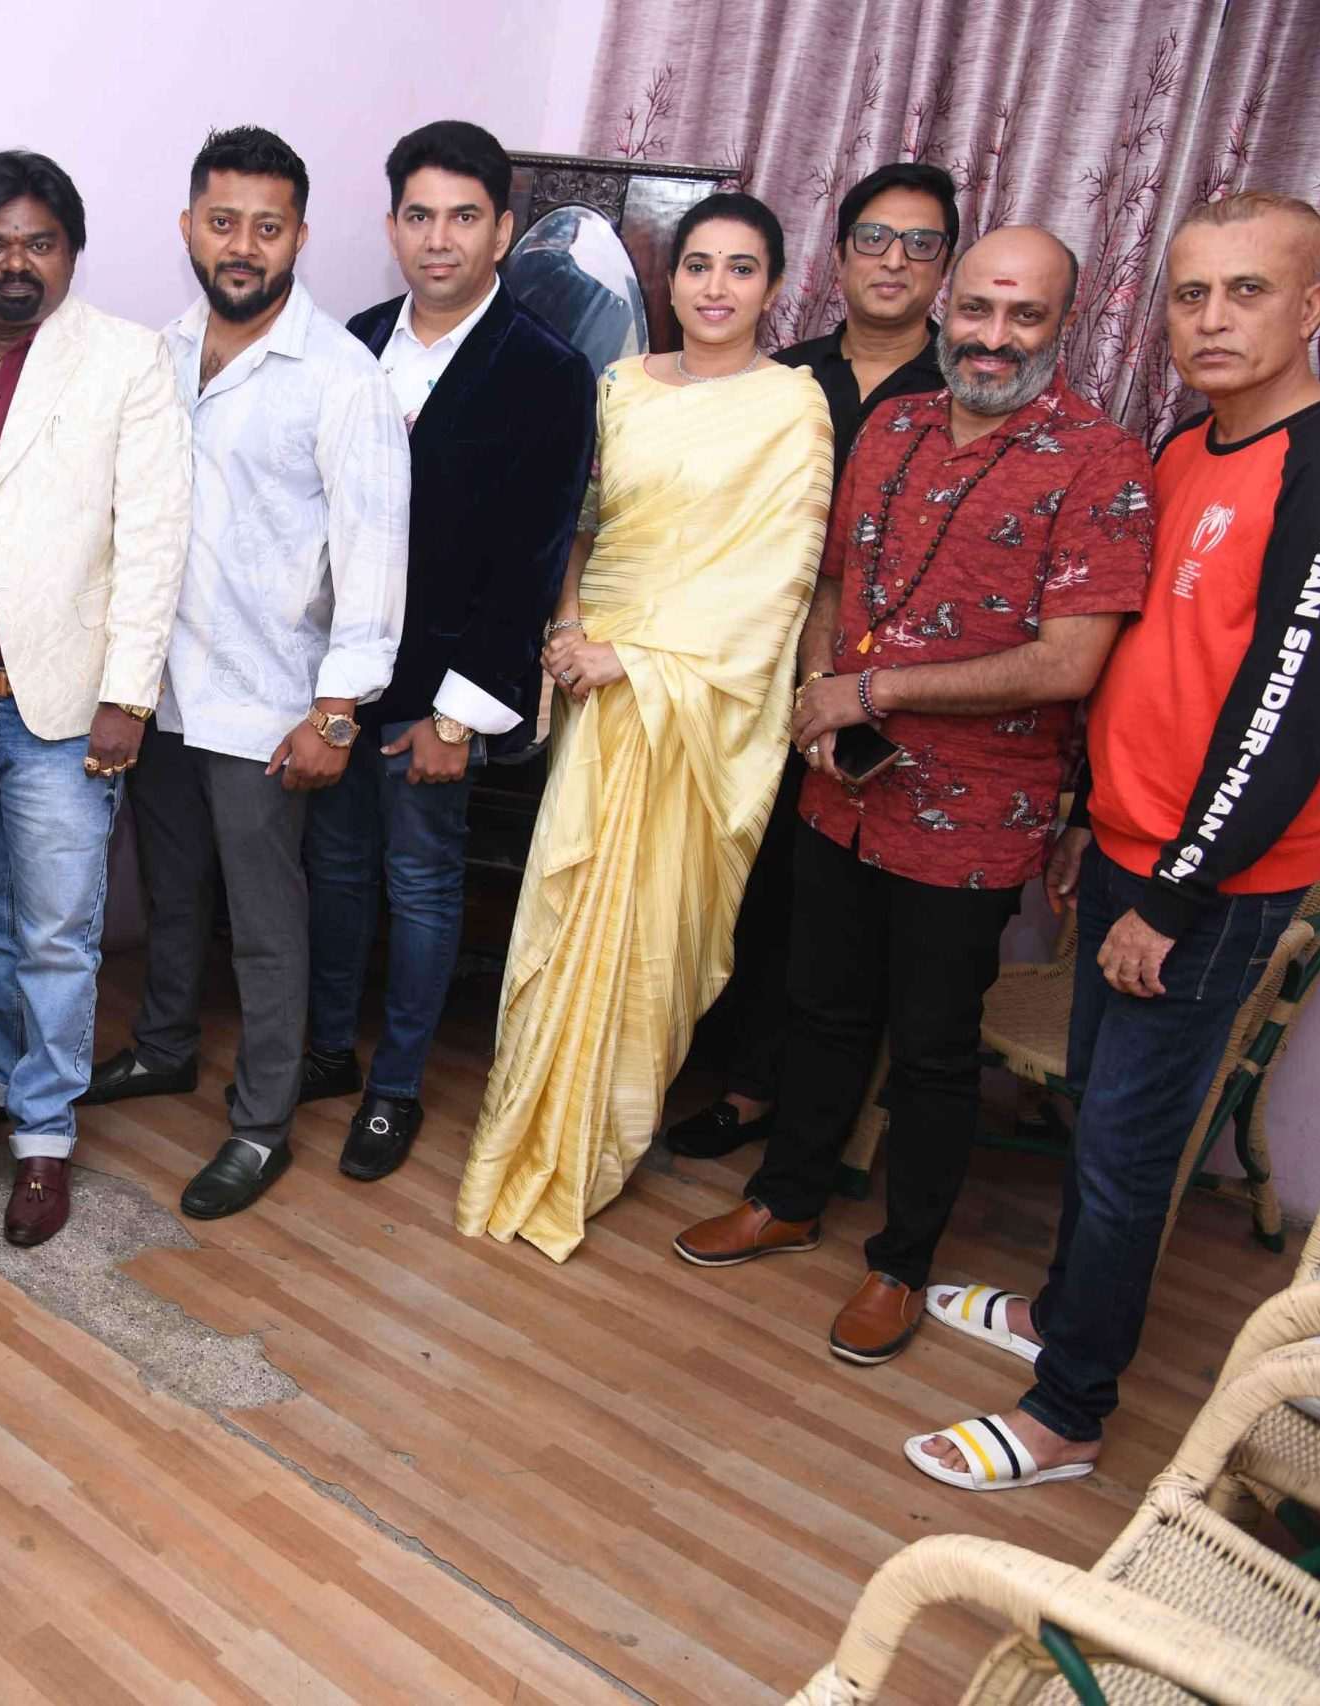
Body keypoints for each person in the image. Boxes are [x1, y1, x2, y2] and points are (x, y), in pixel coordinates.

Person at [907, 193, 1320, 1492]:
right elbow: (1148, 664)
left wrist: (1175, 895)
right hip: (1135, 847)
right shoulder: (1187, 446)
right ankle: (1061, 1313)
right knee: (1095, 1113)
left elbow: (1285, 715)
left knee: (1129, 1147)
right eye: (1191, 293)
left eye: (1248, 290)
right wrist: (1093, 816)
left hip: (1212, 883)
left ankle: (1067, 1414)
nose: (1213, 319)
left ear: (1316, 304)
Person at [675, 226, 1155, 1368]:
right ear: (949, 307)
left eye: (1025, 315)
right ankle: (787, 1196)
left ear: (1064, 323)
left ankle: (899, 1263)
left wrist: (872, 689)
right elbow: (832, 582)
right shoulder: (892, 425)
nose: (993, 336)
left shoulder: (1101, 462)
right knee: (818, 1007)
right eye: (978, 309)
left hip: (973, 818)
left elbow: (1069, 662)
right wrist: (819, 696)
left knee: (933, 1050)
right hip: (841, 789)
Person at [457, 193, 832, 1259]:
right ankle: (525, 1125)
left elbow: (776, 584)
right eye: (699, 264)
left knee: (646, 928)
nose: (716, 286)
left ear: (773, 285)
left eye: (742, 268)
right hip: (595, 683)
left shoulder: (791, 409)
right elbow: (578, 525)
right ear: (670, 279)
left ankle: (585, 1146)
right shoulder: (618, 384)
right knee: (565, 906)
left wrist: (640, 660)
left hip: (684, 702)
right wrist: (571, 628)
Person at [80, 125, 410, 1221]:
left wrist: (337, 711)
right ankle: (164, 1044)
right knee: (169, 891)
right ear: (188, 227)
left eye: (268, 227)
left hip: (270, 702)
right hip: (160, 687)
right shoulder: (155, 355)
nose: (242, 245)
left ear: (300, 238)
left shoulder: (342, 378)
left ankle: (262, 1123)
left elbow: (374, 557)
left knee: (266, 924)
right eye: (223, 222)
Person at [0, 150, 191, 1247]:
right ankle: (1, 1090)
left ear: (72, 250)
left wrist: (129, 697)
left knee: (58, 932)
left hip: (59, 710)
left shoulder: (128, 358)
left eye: (40, 243)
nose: (16, 264)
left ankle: (46, 1135)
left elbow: (153, 539)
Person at [309, 120, 595, 1182]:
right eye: (420, 215)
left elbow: (532, 554)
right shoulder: (352, 341)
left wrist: (457, 714)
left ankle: (395, 1089)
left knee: (422, 886)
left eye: (463, 217)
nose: (439, 239)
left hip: (438, 691)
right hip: (339, 682)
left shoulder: (546, 369)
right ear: (392, 226)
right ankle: (327, 1051)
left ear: (502, 231)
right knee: (335, 871)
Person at [665, 161, 956, 1165]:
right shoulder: (779, 378)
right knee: (755, 890)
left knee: (854, 923)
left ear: (944, 266)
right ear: (837, 258)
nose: (893, 260)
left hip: (892, 697)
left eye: (920, 243)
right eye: (873, 238)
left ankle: (814, 1120)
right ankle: (742, 1084)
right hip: (752, 671)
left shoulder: (966, 389)